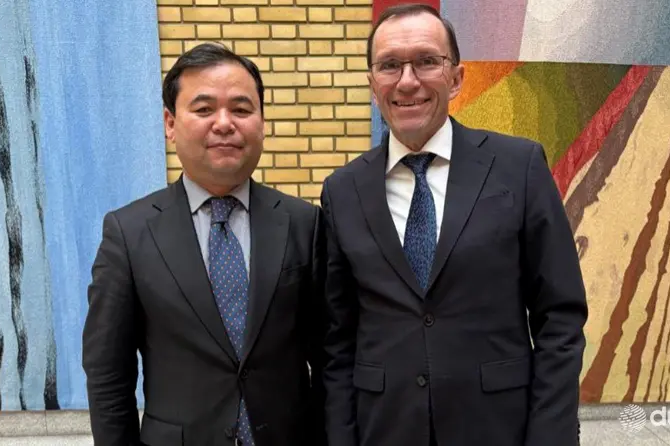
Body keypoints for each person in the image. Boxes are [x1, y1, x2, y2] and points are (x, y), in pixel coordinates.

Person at [320, 4, 588, 446]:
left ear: (456, 78)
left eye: (426, 61)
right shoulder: (342, 190)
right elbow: (337, 342)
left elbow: (559, 318)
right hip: (385, 430)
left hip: (498, 429)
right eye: (390, 65)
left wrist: (550, 435)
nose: (407, 81)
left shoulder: (518, 167)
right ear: (372, 84)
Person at [82, 42, 326, 446]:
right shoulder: (128, 233)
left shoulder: (304, 223)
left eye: (241, 109)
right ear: (170, 123)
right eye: (204, 109)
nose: (224, 123)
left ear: (262, 122)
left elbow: (331, 358)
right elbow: (108, 373)